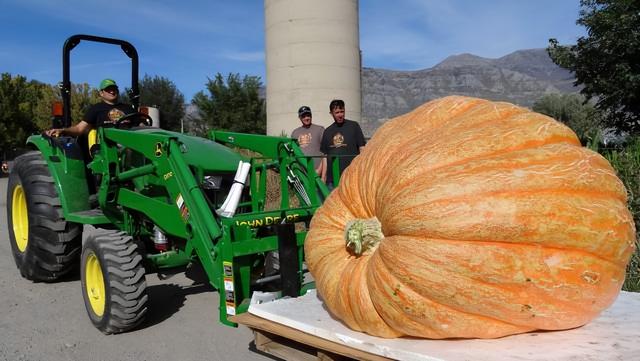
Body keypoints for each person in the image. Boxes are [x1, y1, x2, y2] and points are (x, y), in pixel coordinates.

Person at [45, 78, 135, 138]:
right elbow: (79, 129)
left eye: (114, 89)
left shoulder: (128, 108)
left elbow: (140, 126)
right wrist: (63, 130)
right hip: (109, 144)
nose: (112, 91)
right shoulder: (96, 109)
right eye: (108, 89)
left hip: (131, 139)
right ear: (101, 93)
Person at [320, 99, 366, 188]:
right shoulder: (327, 131)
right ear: (331, 113)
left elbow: (362, 149)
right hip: (332, 181)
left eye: (342, 111)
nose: (340, 115)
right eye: (337, 112)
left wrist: (363, 171)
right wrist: (323, 177)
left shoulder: (354, 126)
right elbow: (325, 156)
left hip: (351, 178)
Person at [291, 106, 326, 181]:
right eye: (303, 116)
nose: (306, 118)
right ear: (300, 118)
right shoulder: (295, 133)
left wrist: (320, 172)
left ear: (311, 115)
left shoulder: (320, 129)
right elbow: (293, 154)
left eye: (308, 115)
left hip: (317, 174)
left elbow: (325, 153)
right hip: (301, 175)